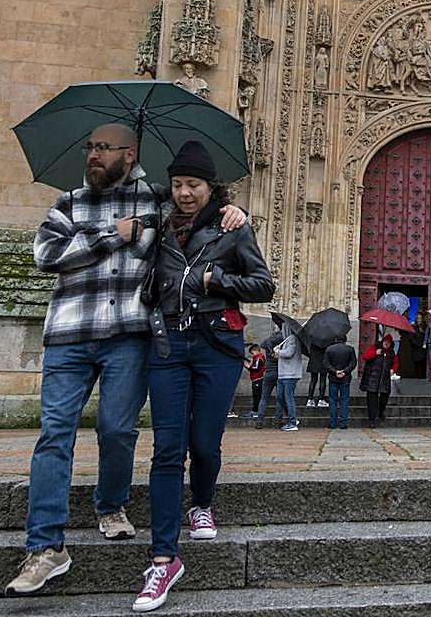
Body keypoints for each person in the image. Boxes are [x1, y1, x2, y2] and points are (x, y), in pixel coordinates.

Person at [6, 125, 244, 598]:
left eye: (102, 148)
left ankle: (111, 505)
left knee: (117, 429)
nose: (92, 155)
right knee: (55, 435)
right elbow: (45, 253)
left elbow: (196, 211)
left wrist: (235, 212)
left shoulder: (158, 202)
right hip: (70, 334)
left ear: (128, 154)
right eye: (89, 147)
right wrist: (109, 235)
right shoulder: (68, 203)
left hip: (129, 337)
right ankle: (45, 546)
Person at [133, 140, 273, 613]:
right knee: (167, 448)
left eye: (192, 185)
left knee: (205, 444)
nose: (184, 193)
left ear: (210, 187)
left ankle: (203, 503)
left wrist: (217, 281)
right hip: (167, 343)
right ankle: (164, 557)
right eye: (177, 184)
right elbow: (129, 190)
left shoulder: (232, 228)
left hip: (216, 345)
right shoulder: (155, 221)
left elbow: (264, 284)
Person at [360, 333, 396, 427]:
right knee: (372, 399)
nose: (386, 344)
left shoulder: (391, 353)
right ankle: (372, 419)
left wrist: (393, 369)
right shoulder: (375, 348)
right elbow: (365, 356)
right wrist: (375, 353)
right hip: (372, 378)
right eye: (385, 342)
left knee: (384, 397)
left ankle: (380, 412)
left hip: (384, 379)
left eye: (388, 343)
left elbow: (395, 363)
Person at [321, 334, 357, 429]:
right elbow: (353, 363)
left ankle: (332, 423)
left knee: (332, 400)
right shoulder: (350, 349)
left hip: (333, 378)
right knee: (344, 400)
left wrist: (335, 371)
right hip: (345, 378)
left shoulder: (329, 349)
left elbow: (325, 363)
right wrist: (345, 371)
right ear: (345, 340)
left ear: (336, 339)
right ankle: (343, 423)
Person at [274, 323, 303, 432]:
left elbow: (289, 353)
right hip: (283, 374)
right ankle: (293, 418)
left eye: (282, 329)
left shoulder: (292, 339)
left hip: (290, 374)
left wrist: (278, 351)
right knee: (280, 397)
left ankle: (292, 422)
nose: (281, 331)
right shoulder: (287, 340)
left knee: (288, 398)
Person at [253, 331, 280, 427]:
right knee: (279, 398)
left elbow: (263, 344)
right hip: (279, 373)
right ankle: (277, 421)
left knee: (264, 398)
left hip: (268, 373)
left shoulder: (268, 344)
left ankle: (259, 421)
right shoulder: (281, 344)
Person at [304, 338, 329, 410]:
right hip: (323, 362)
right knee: (322, 380)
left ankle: (310, 399)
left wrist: (312, 356)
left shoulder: (312, 340)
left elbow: (307, 350)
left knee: (313, 381)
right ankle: (321, 399)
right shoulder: (327, 341)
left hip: (313, 361)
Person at [242, 343, 265, 418]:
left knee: (257, 396)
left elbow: (256, 368)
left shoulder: (259, 357)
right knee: (256, 396)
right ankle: (255, 411)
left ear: (256, 351)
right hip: (256, 379)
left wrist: (248, 366)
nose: (252, 355)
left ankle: (256, 411)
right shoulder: (258, 358)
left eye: (252, 353)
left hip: (258, 379)